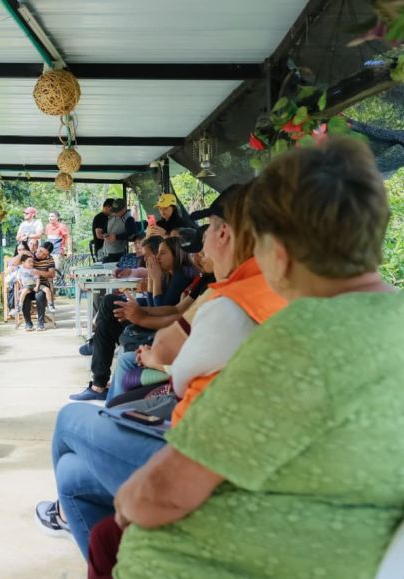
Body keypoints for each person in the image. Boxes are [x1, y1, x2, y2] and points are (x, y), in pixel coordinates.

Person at [113, 139, 404, 579]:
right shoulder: (385, 319)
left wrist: (125, 502)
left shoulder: (302, 338)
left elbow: (162, 495)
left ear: (279, 253)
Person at [38, 182, 286, 559]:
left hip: (204, 465)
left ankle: (121, 538)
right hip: (241, 455)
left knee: (69, 419)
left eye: (207, 230)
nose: (201, 244)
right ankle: (99, 538)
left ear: (224, 233)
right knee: (71, 476)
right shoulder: (277, 289)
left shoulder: (231, 301)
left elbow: (178, 371)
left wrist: (200, 301)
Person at [71, 236, 196, 402]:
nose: (156, 258)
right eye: (156, 254)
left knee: (109, 309)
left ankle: (98, 380)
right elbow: (153, 305)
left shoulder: (182, 274)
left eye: (162, 253)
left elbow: (161, 309)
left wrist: (154, 280)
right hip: (153, 324)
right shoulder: (169, 274)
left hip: (162, 332)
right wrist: (152, 279)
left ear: (177, 254)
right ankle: (98, 375)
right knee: (108, 312)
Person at [22, 241, 55, 331]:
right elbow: (12, 263)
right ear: (38, 247)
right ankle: (28, 323)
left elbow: (52, 274)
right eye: (40, 251)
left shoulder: (50, 259)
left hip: (42, 285)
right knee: (25, 296)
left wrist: (38, 272)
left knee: (39, 295)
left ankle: (40, 323)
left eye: (44, 254)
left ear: (48, 255)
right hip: (28, 284)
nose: (41, 254)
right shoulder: (30, 255)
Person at [99, 199, 137, 263]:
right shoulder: (112, 217)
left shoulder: (128, 219)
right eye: (115, 211)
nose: (116, 213)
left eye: (118, 211)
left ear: (124, 209)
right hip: (106, 252)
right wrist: (104, 234)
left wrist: (116, 237)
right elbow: (105, 230)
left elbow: (132, 235)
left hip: (118, 254)